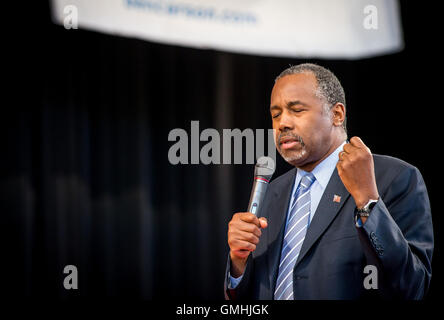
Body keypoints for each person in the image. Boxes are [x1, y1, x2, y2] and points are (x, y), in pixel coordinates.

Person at [224, 63, 433, 300]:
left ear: (337, 114)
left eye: (297, 110)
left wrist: (368, 203)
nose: (282, 123)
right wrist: (239, 264)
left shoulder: (392, 178)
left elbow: (411, 288)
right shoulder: (272, 193)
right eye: (276, 114)